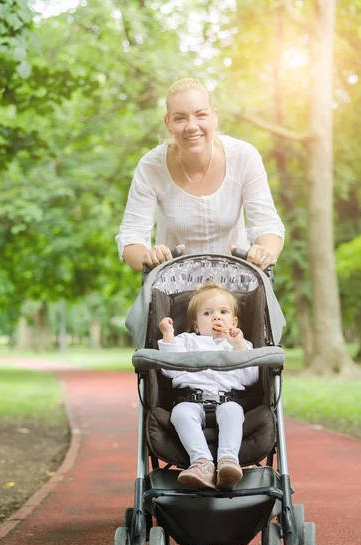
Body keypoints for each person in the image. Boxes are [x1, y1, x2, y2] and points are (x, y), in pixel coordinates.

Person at [115, 78, 284, 272]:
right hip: (174, 289)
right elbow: (131, 237)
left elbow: (266, 224)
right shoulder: (151, 167)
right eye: (180, 118)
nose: (192, 126)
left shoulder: (244, 156)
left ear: (214, 117)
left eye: (200, 115)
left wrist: (263, 253)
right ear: (168, 123)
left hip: (237, 286)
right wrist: (149, 259)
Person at [158, 281, 259, 490]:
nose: (216, 317)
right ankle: (201, 462)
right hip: (190, 399)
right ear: (196, 324)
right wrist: (168, 335)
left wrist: (239, 345)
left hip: (227, 399)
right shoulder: (186, 341)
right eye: (207, 313)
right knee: (180, 414)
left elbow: (250, 378)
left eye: (223, 312)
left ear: (235, 321)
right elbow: (169, 369)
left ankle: (228, 462)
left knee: (233, 412)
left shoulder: (240, 345)